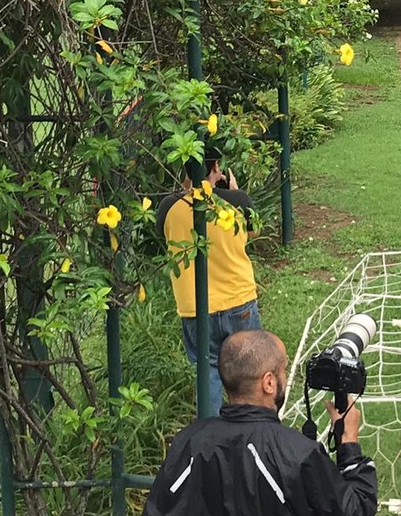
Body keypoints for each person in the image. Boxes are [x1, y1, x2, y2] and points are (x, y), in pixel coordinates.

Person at [143, 329, 378, 515]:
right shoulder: (298, 454)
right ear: (268, 383)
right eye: (283, 370)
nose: (285, 378)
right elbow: (355, 508)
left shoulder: (188, 442)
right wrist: (349, 445)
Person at [156, 148, 261, 417]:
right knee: (249, 370)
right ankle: (253, 428)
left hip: (194, 307)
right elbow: (254, 230)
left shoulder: (168, 207)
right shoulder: (236, 201)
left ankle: (212, 435)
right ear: (216, 168)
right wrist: (236, 192)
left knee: (209, 371)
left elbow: (164, 235)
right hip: (238, 300)